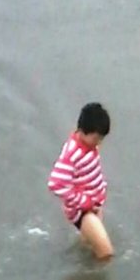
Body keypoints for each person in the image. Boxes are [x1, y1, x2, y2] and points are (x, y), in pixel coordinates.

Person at [48, 103, 114, 261]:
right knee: (106, 253)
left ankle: (78, 278)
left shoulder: (89, 146)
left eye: (101, 138)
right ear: (83, 131)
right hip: (83, 211)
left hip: (94, 204)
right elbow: (55, 183)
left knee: (89, 250)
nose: (99, 143)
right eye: (96, 138)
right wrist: (83, 201)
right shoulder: (72, 154)